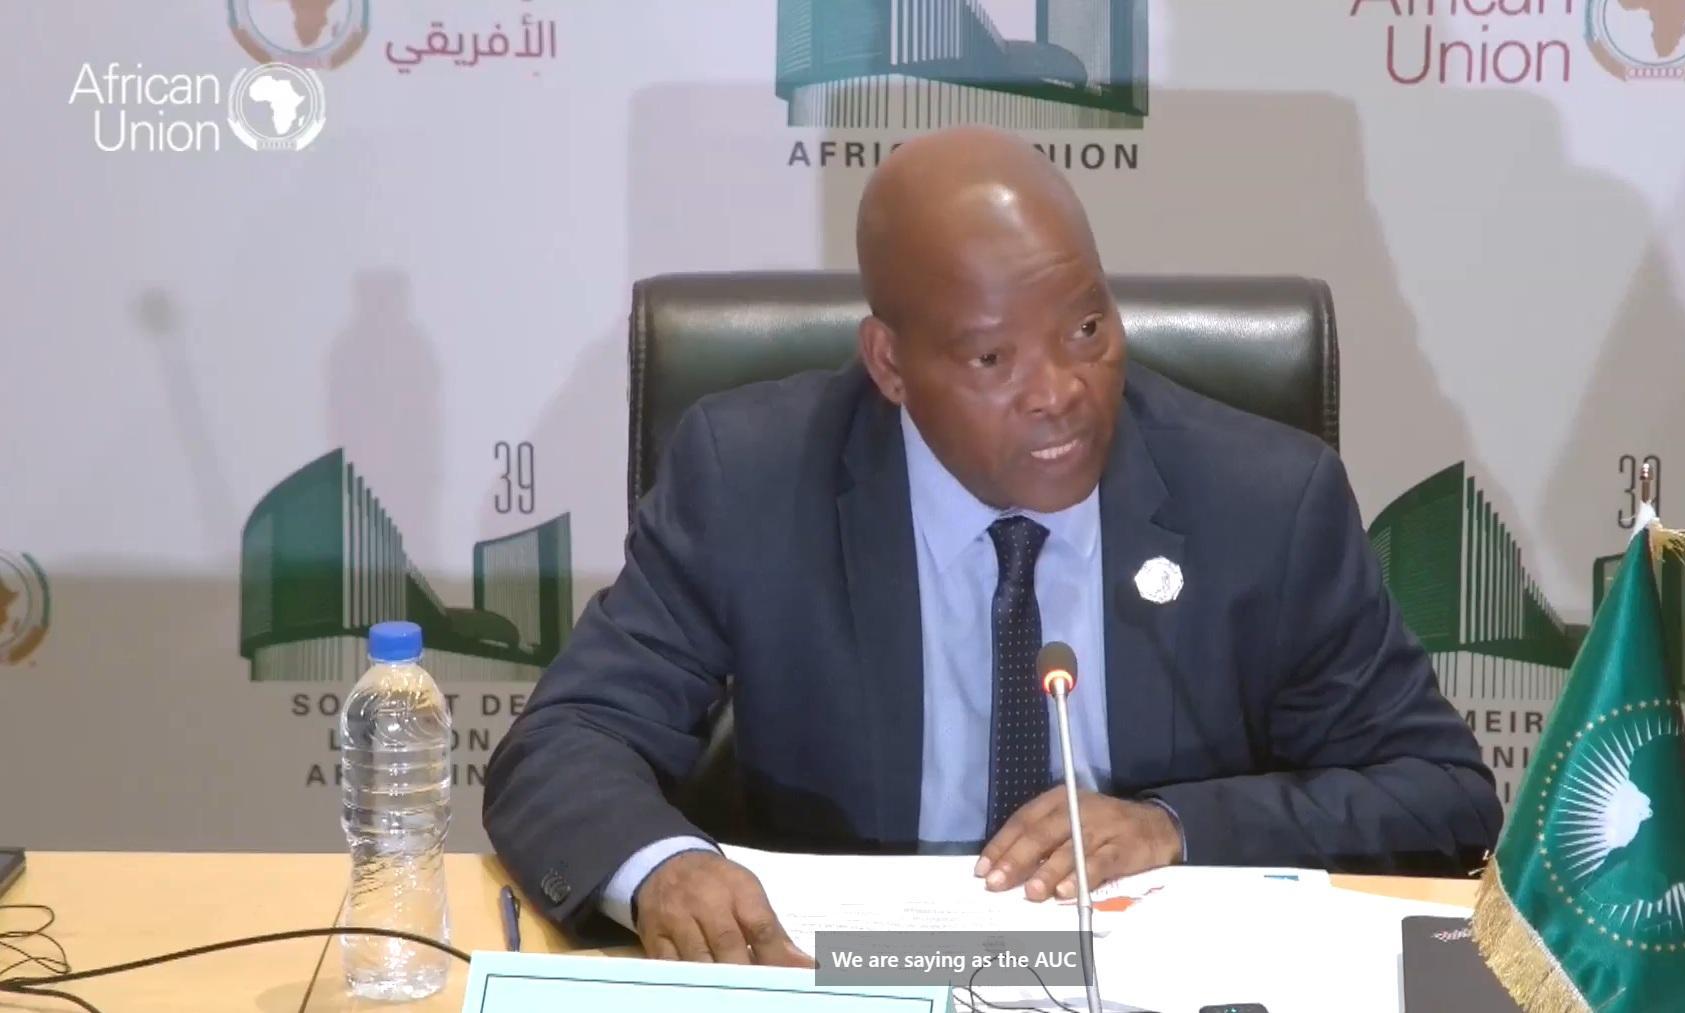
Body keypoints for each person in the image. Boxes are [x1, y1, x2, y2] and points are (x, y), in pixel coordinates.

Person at [484, 125, 1501, 965]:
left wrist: (1175, 825)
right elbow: (568, 739)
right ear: (889, 363)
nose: (1058, 391)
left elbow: (1438, 792)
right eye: (989, 357)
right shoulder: (750, 478)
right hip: (849, 978)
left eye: (1086, 329)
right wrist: (661, 866)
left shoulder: (1261, 499)